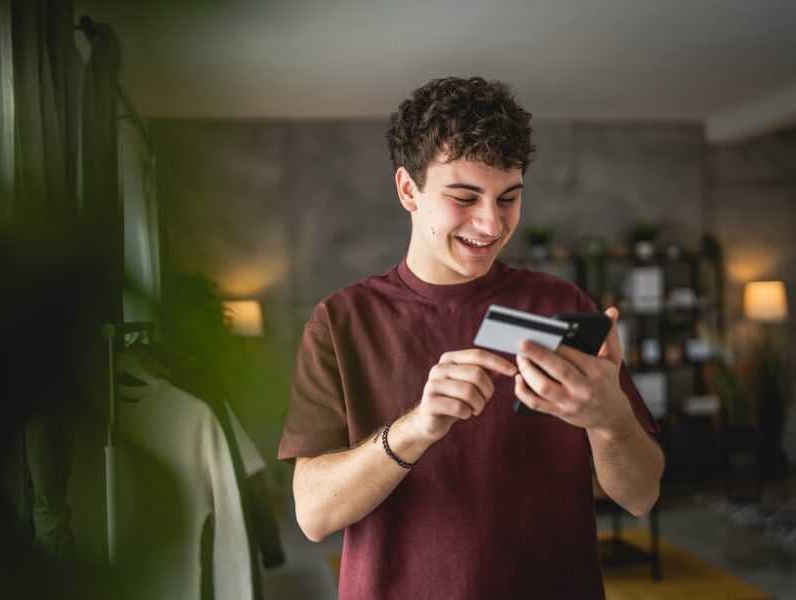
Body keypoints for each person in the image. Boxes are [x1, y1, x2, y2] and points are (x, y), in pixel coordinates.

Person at [278, 76, 664, 599]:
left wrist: (610, 418)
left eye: (509, 197)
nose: (490, 223)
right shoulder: (342, 322)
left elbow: (642, 496)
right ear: (408, 190)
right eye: (464, 197)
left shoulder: (565, 306)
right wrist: (419, 427)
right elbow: (314, 515)